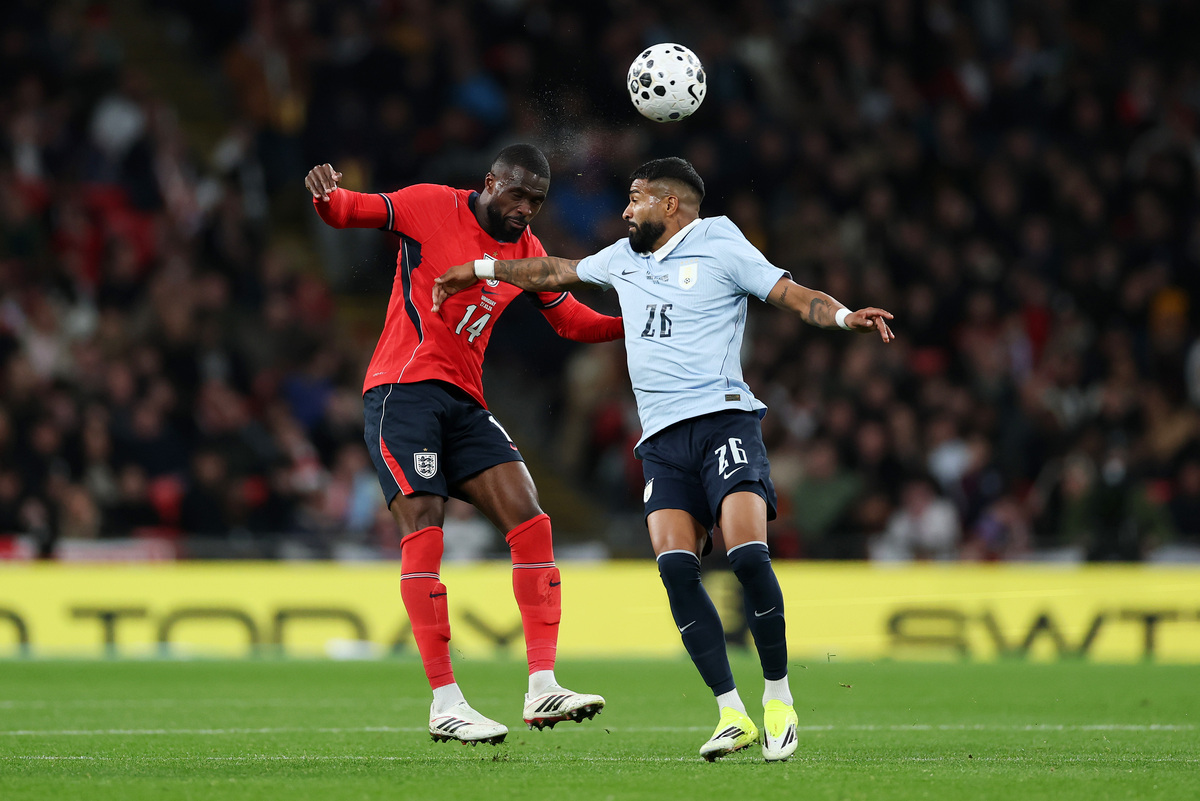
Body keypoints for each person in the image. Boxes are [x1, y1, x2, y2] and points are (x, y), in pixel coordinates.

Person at [434, 157, 894, 761]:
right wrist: (480, 267)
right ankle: (732, 712)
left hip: (724, 420)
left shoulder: (720, 240)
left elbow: (789, 294)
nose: (625, 211)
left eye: (635, 198)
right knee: (677, 568)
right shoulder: (624, 259)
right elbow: (556, 270)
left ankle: (778, 698)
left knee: (748, 554)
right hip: (662, 443)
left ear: (669, 204)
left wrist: (841, 316)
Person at [306, 144, 622, 745]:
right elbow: (353, 211)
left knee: (532, 521)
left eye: (537, 200)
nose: (526, 209)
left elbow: (571, 320)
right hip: (403, 393)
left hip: (464, 404)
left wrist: (634, 320)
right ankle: (445, 701)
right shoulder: (430, 206)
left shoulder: (525, 250)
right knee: (425, 526)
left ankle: (542, 685)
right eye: (518, 194)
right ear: (490, 184)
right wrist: (326, 197)